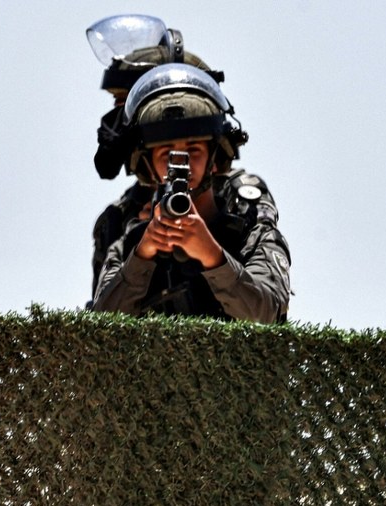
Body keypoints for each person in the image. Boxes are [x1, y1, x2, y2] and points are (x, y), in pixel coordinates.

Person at [91, 64, 291, 323]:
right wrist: (142, 257)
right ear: (147, 167)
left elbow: (266, 317)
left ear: (215, 158)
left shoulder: (252, 236)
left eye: (194, 150)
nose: (181, 162)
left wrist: (213, 256)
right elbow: (100, 334)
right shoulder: (128, 246)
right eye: (166, 153)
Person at [85, 15, 226, 298]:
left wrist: (210, 237)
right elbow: (102, 324)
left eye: (129, 102)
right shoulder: (119, 217)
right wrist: (140, 247)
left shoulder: (235, 200)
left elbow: (265, 305)